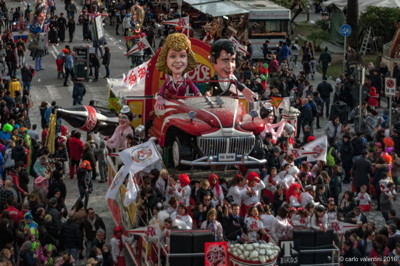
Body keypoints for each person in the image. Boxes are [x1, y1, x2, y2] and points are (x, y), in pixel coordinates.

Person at [155, 33, 201, 110]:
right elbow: (161, 92)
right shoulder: (168, 80)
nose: (178, 61)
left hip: (183, 106)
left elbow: (196, 91)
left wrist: (200, 97)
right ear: (166, 59)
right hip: (170, 106)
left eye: (182, 56)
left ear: (188, 59)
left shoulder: (186, 79)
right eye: (173, 56)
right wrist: (160, 98)